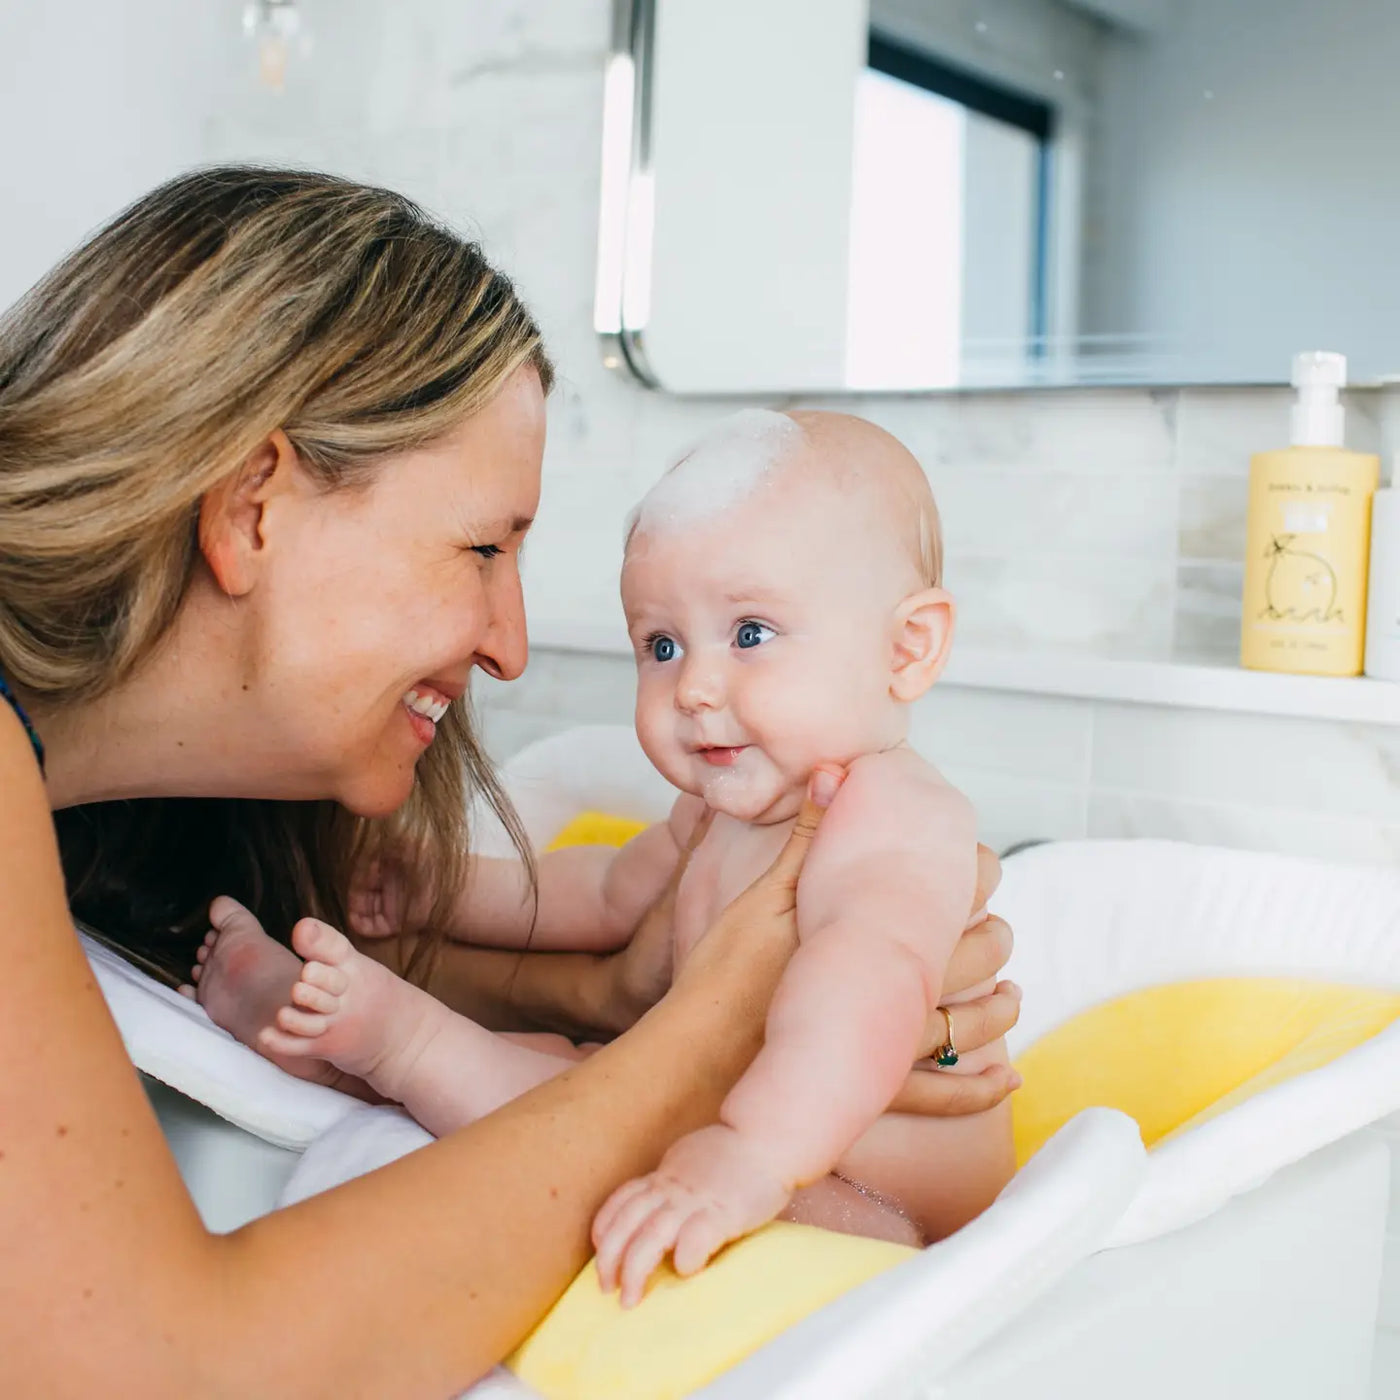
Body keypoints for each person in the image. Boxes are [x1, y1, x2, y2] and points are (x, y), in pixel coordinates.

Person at [0, 166, 1020, 1393]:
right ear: (253, 507)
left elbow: (598, 952)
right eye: (482, 547)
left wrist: (630, 990)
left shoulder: (96, 822)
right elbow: (162, 1369)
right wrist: (721, 1025)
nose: (511, 646)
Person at [194, 407, 1015, 1308]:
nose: (693, 689)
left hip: (863, 1185)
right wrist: (437, 887)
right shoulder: (718, 806)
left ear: (907, 649)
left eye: (749, 633)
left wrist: (750, 1152)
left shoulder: (893, 811)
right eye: (661, 646)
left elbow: (861, 994)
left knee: (593, 1107)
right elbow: (607, 896)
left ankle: (396, 1040)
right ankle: (340, 1034)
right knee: (572, 1074)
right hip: (715, 1099)